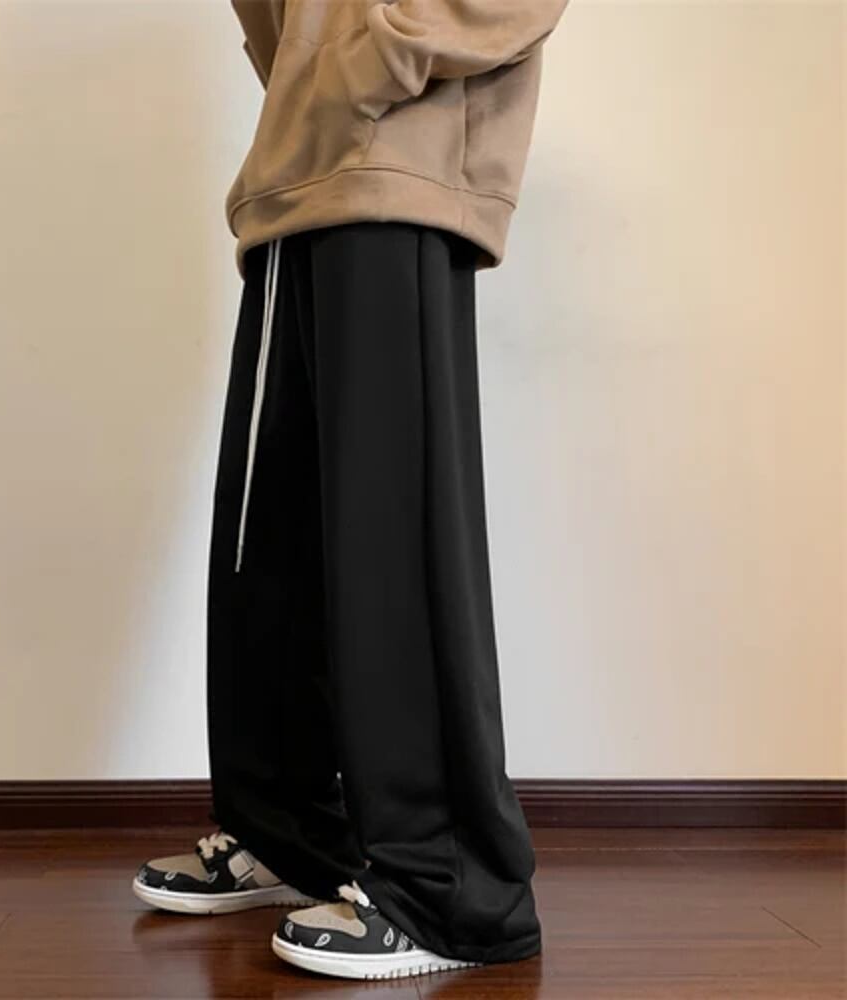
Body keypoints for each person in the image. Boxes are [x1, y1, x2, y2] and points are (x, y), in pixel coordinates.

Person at [132, 0, 570, 981]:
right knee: (268, 539)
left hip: (398, 173)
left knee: (392, 544)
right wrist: (308, 83)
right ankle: (286, 833)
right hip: (293, 186)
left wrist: (369, 64)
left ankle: (449, 887)